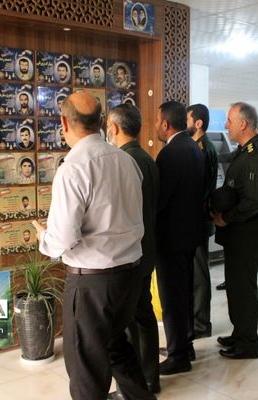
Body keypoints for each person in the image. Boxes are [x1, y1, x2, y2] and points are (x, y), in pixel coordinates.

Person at [32, 91, 154, 400]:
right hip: (129, 276)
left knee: (85, 367)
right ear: (101, 122)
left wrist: (44, 238)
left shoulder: (73, 168)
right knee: (116, 347)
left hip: (92, 284)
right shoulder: (127, 161)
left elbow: (63, 238)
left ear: (64, 123)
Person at [106, 103, 161, 394]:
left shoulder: (123, 161)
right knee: (143, 313)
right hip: (147, 247)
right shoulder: (147, 158)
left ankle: (136, 385)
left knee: (128, 320)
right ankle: (150, 378)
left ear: (114, 128)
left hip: (130, 254)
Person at [212, 102, 258, 360]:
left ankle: (248, 343)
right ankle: (239, 333)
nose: (226, 125)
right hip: (237, 233)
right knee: (236, 288)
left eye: (229, 120)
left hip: (245, 232)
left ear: (243, 124)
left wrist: (226, 218)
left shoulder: (255, 156)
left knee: (244, 290)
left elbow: (253, 202)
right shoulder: (243, 152)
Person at [154, 101, 204, 375]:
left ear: (165, 124)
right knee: (184, 291)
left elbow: (160, 200)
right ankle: (186, 343)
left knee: (172, 297)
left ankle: (177, 356)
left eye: (157, 121)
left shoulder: (170, 154)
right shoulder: (194, 148)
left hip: (171, 237)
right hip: (190, 234)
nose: (155, 126)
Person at [186, 103, 218, 339]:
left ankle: (200, 323)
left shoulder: (202, 148)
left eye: (187, 119)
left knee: (198, 275)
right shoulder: (199, 146)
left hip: (197, 218)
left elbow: (200, 188)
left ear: (198, 123)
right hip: (197, 218)